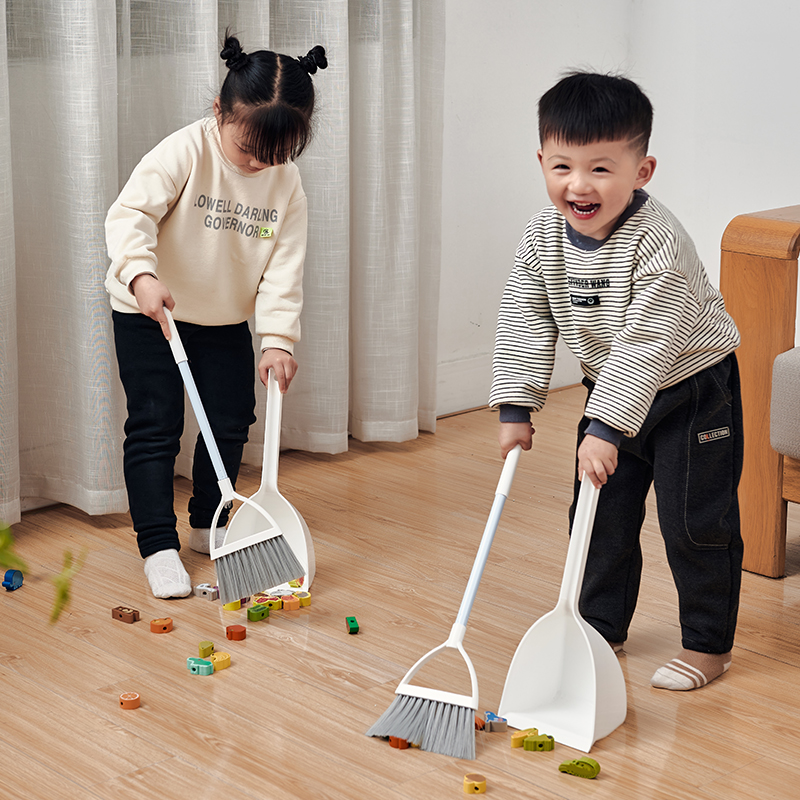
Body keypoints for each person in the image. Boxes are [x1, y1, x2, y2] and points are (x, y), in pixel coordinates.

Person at [490, 71, 743, 691]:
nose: (579, 185)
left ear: (642, 171)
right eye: (561, 167)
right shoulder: (542, 237)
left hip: (692, 391)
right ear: (542, 161)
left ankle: (708, 645)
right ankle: (600, 627)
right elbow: (526, 314)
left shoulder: (658, 241)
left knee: (693, 521)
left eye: (601, 169)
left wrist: (604, 427)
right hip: (612, 391)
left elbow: (647, 342)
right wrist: (515, 405)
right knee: (597, 515)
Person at [105, 31, 327, 599]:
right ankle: (158, 544)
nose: (257, 164)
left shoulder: (286, 183)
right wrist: (141, 274)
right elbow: (129, 214)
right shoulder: (186, 150)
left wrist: (277, 338)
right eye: (248, 149)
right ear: (219, 112)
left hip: (223, 318)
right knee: (156, 426)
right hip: (151, 310)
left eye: (274, 156)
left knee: (229, 418)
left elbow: (284, 266)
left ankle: (209, 520)